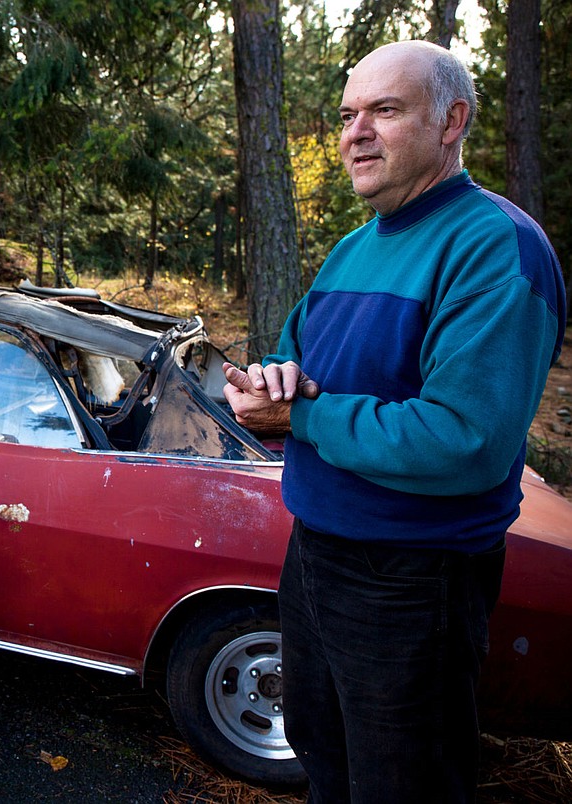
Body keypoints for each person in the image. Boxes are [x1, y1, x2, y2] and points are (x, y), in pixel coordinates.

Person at [223, 40, 566, 803]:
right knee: (321, 748)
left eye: (385, 109)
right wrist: (269, 385)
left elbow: (464, 442)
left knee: (401, 784)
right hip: (316, 552)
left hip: (413, 577)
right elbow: (291, 362)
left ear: (452, 121)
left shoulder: (495, 247)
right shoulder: (352, 248)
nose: (356, 132)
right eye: (348, 114)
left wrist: (301, 414)